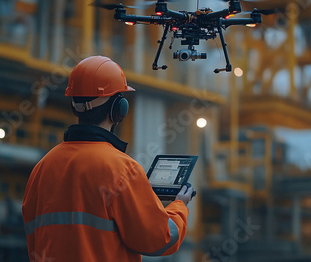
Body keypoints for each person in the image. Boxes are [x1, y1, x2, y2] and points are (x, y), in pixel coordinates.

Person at [22, 56, 195, 262]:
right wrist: (179, 206)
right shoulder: (122, 169)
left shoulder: (43, 167)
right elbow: (160, 239)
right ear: (118, 109)